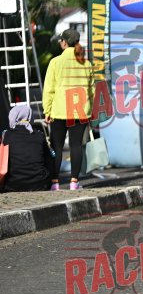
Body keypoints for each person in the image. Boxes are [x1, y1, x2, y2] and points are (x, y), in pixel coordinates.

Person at [43, 29, 93, 191]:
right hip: (80, 111)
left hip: (59, 111)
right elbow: (92, 90)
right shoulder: (86, 64)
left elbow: (49, 89)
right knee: (76, 145)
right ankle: (74, 182)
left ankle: (55, 183)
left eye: (60, 41)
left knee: (56, 147)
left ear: (64, 42)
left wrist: (47, 110)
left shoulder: (55, 62)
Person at [2, 105, 54, 192]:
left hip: (12, 185)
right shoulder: (39, 135)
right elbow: (49, 160)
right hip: (39, 184)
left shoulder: (6, 135)